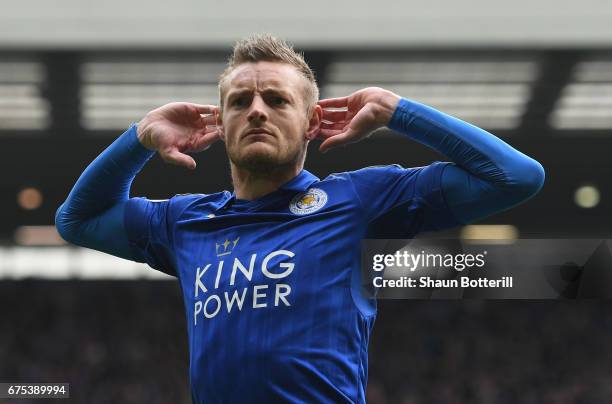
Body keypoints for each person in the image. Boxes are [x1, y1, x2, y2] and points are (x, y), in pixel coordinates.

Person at [55, 34, 544, 403]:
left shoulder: (360, 200)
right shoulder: (185, 222)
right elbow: (77, 219)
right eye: (240, 102)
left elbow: (515, 177)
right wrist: (138, 138)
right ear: (221, 127)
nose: (257, 112)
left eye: (277, 99)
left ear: (311, 122)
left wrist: (398, 111)